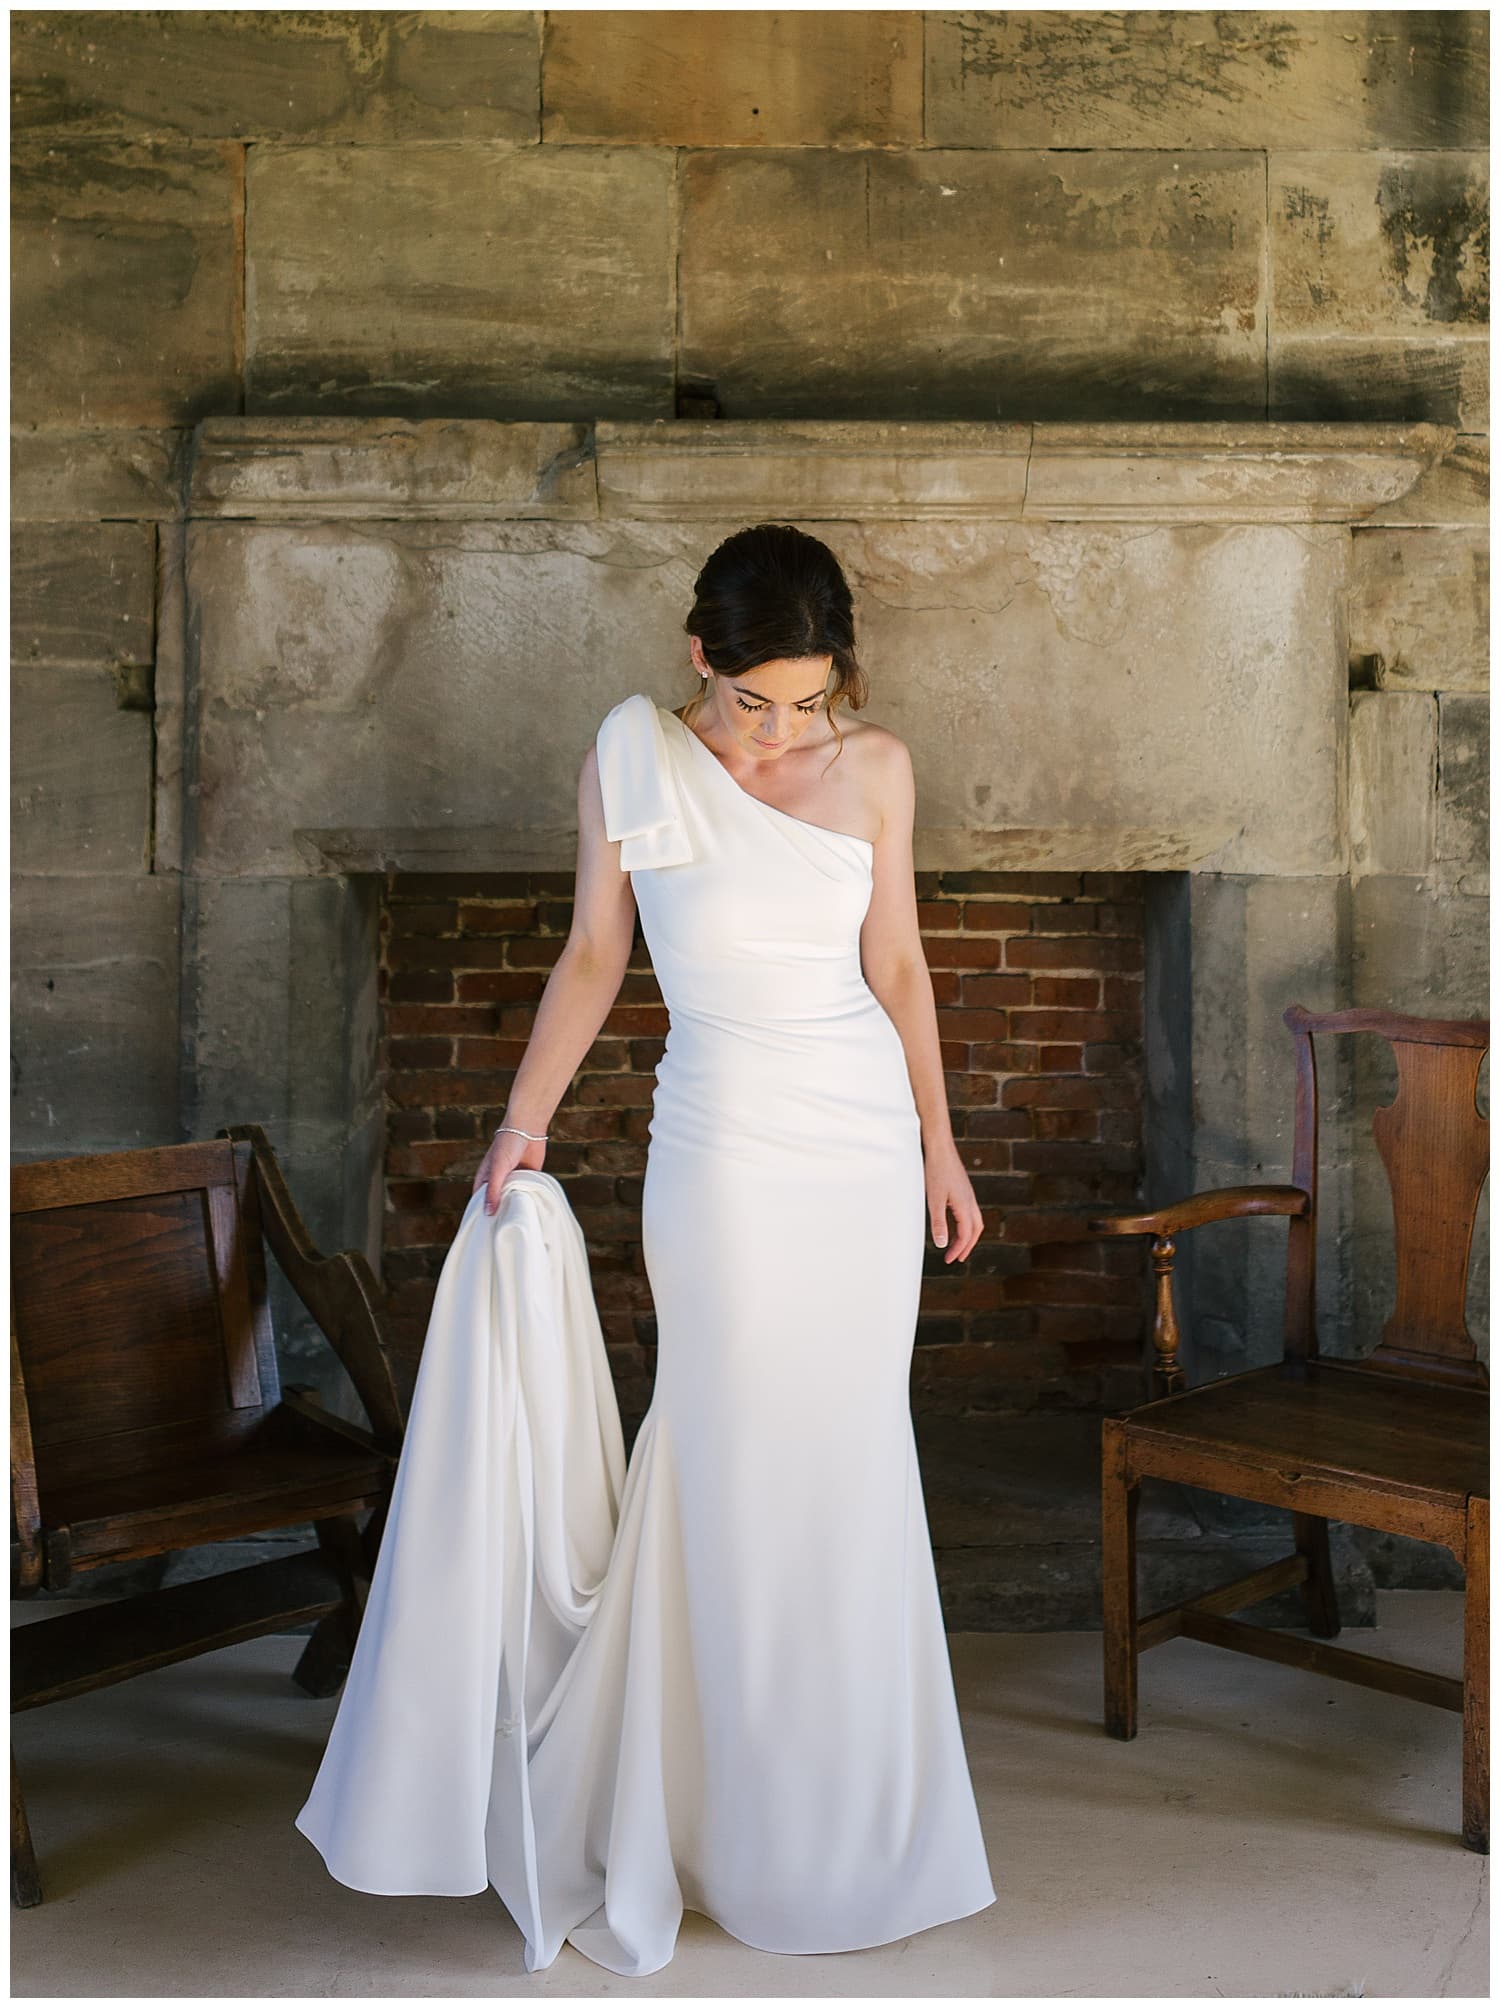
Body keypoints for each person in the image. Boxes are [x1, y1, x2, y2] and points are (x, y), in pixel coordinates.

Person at [295, 522, 996, 1976]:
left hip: (860, 1144)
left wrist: (938, 1142)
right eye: (755, 700)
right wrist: (520, 1125)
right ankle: (701, 1813)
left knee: (848, 1457)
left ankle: (838, 1818)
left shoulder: (876, 772)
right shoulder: (632, 760)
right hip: (725, 1147)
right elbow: (596, 958)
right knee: (725, 1453)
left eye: (809, 700)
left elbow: (900, 964)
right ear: (700, 658)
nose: (782, 729)